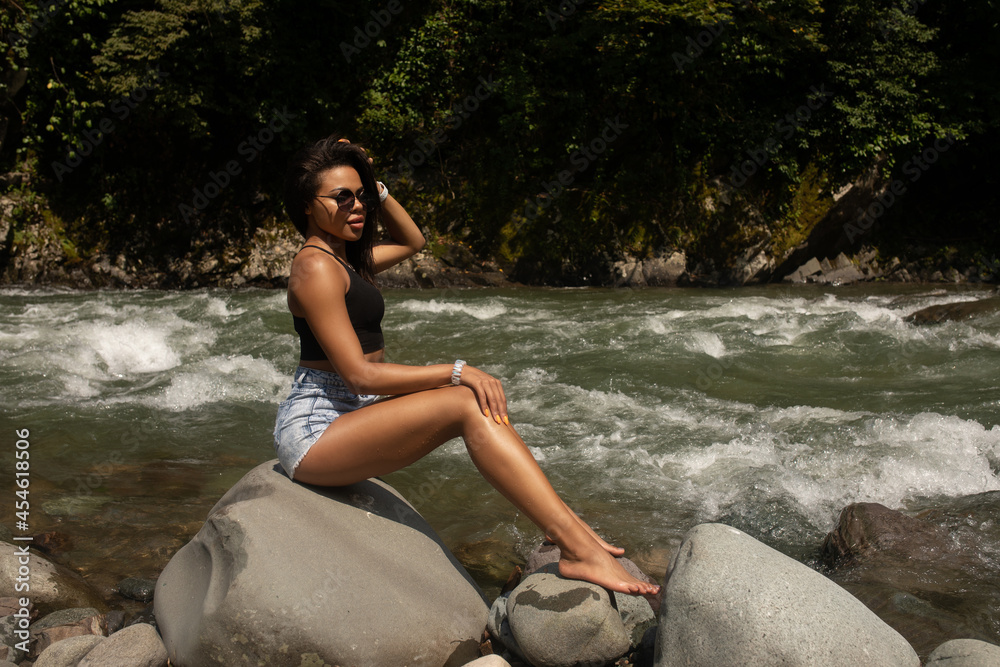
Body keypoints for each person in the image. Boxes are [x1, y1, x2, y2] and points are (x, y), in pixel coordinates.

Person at [273, 135, 659, 596]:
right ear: (306, 205)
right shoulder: (314, 267)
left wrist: (379, 187)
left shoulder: (345, 260)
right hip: (317, 429)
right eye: (342, 197)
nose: (357, 206)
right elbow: (358, 376)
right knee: (465, 400)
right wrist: (457, 369)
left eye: (362, 194)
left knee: (473, 401)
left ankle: (571, 530)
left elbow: (414, 240)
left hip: (354, 411)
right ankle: (576, 547)